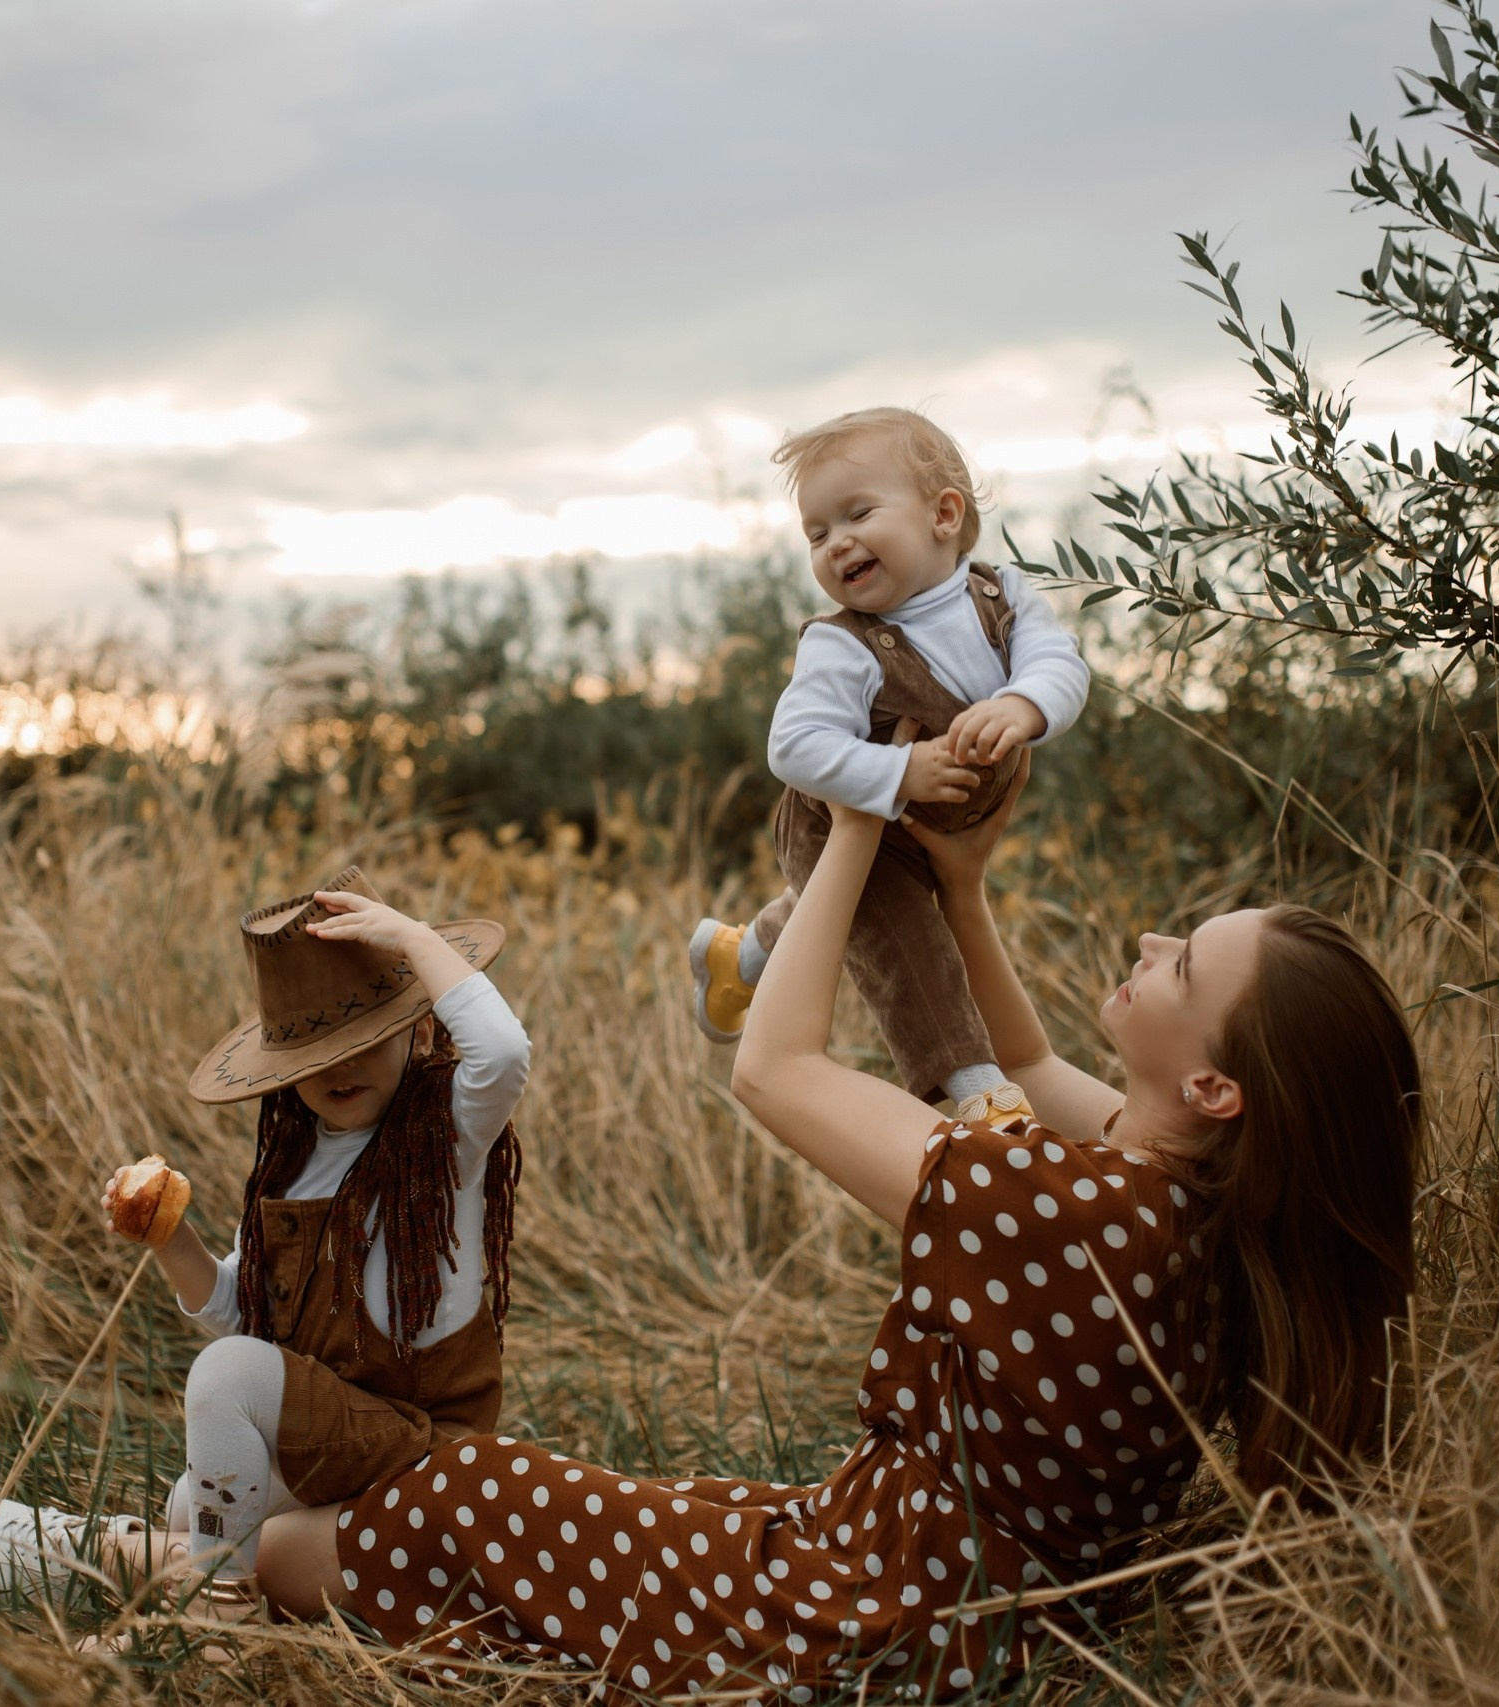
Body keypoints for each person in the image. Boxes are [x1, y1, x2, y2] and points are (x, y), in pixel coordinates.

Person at [252, 770, 1421, 1699]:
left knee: (400, 1512)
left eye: (1188, 964)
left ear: (1215, 1087)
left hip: (860, 1610)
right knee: (582, 1504)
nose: (1153, 948)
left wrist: (849, 826)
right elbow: (1017, 1064)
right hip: (938, 1595)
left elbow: (773, 1069)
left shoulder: (1071, 1210)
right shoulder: (1195, 1206)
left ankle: (189, 1567)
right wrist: (959, 891)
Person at [0, 867, 530, 1602]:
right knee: (193, 1499)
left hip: (433, 1461)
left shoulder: (445, 1137)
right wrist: (169, 1238)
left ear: (424, 1027)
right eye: (314, 1054)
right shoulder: (290, 1166)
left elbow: (502, 1051)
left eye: (364, 1038)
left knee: (224, 1380)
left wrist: (409, 938)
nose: (339, 1064)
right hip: (355, 1452)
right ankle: (88, 1554)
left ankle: (214, 1609)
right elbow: (242, 1314)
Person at [689, 406, 1091, 1124]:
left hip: (926, 825)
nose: (836, 542)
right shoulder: (843, 644)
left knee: (850, 912)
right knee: (907, 937)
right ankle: (973, 1090)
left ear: (943, 513)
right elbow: (795, 746)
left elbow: (1060, 662)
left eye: (856, 514)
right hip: (843, 817)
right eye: (817, 533)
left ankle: (742, 955)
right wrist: (898, 775)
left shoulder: (1002, 596)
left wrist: (1025, 705)